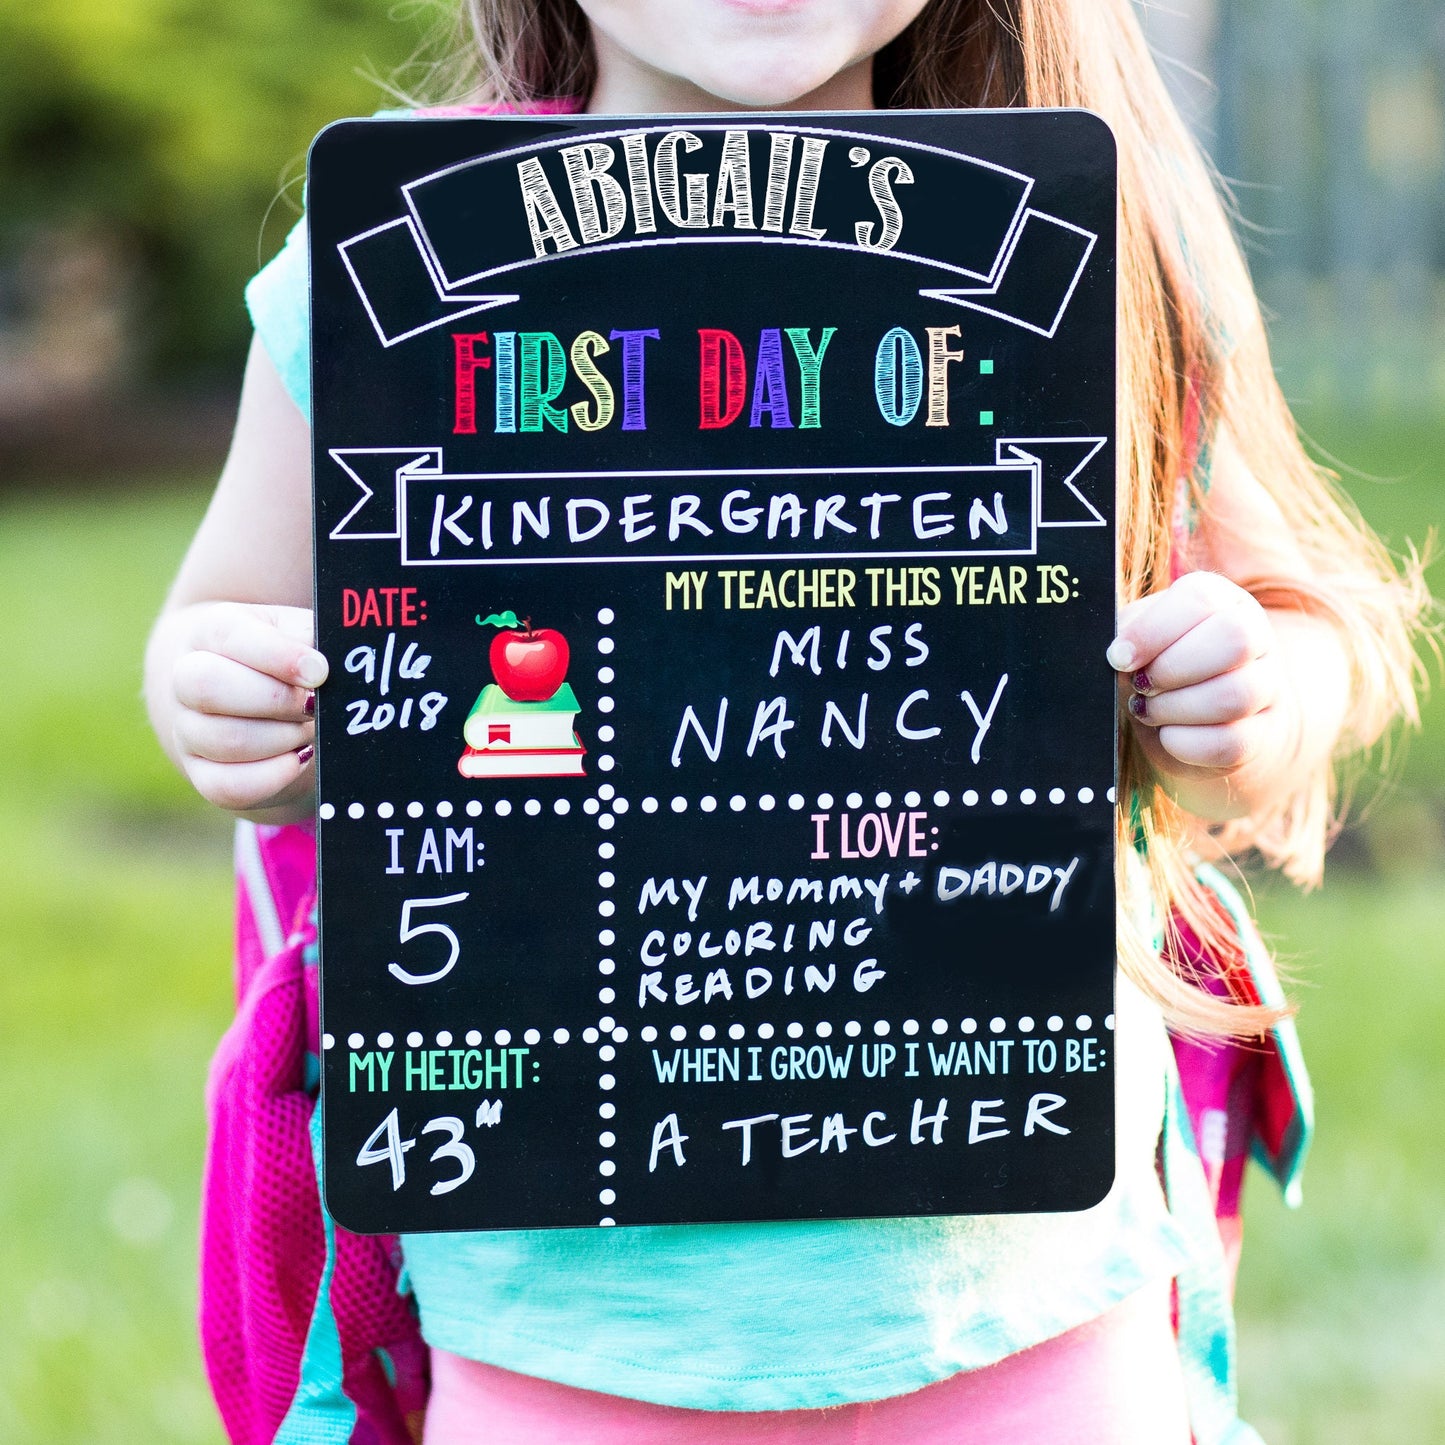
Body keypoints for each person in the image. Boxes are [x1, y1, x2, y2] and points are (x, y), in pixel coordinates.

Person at [144, 2, 1429, 1441]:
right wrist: (231, 708)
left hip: (1031, 1317)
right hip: (559, 1348)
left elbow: (1303, 621)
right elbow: (218, 626)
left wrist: (1247, 690)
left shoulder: (1094, 247)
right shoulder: (377, 274)